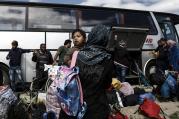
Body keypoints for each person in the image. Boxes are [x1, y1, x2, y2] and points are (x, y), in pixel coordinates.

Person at [59, 25, 114, 119]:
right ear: (105, 39)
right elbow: (107, 84)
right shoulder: (107, 58)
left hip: (75, 105)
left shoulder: (77, 55)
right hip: (97, 108)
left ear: (91, 37)